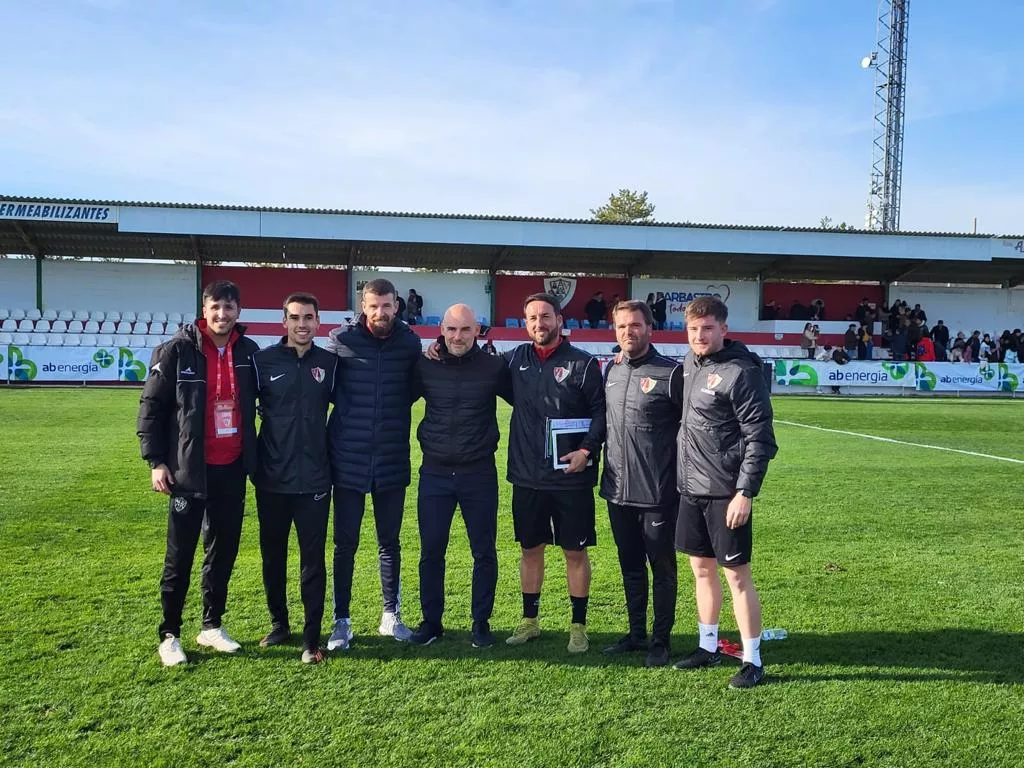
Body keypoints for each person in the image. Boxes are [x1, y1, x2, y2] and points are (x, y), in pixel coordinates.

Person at [138, 280, 259, 667]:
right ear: (204, 310)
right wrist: (156, 461)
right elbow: (151, 407)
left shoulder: (249, 352)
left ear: (238, 311)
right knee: (180, 555)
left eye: (229, 307)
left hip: (232, 469)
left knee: (222, 552)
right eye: (215, 307)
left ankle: (211, 625)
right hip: (188, 472)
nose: (222, 314)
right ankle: (169, 633)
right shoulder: (176, 350)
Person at [671, 296, 778, 690]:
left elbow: (761, 439)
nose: (699, 336)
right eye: (693, 329)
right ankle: (708, 645)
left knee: (737, 575)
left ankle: (753, 660)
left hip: (725, 493)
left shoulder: (741, 372)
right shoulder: (688, 363)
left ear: (723, 329)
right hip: (690, 489)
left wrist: (744, 491)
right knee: (701, 570)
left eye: (707, 328)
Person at [504, 293, 606, 653]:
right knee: (530, 549)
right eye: (531, 318)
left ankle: (578, 625)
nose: (538, 324)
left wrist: (585, 450)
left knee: (574, 552)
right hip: (527, 475)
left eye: (545, 317)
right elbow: (475, 368)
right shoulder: (515, 360)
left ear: (560, 321)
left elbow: (600, 413)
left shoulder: (583, 363)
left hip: (570, 477)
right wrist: (439, 347)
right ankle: (530, 621)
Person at [325, 278, 422, 651]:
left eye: (386, 306)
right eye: (373, 306)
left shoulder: (410, 343)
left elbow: (412, 390)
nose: (380, 313)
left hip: (392, 457)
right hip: (347, 459)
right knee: (345, 544)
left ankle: (390, 615)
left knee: (389, 542)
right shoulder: (342, 340)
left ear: (396, 306)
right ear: (362, 307)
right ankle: (342, 621)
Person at [409, 304, 513, 648]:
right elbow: (394, 401)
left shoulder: (494, 367)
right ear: (441, 329)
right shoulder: (425, 364)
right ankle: (432, 622)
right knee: (431, 552)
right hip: (434, 473)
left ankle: (480, 623)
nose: (457, 336)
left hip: (478, 473)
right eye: (451, 329)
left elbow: (529, 400)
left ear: (478, 330)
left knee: (483, 552)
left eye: (465, 330)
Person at [251, 293, 339, 664]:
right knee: (273, 556)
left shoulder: (331, 363)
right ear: (283, 322)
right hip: (271, 479)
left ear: (318, 322)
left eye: (308, 318)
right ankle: (279, 624)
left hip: (316, 480)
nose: (302, 324)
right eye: (295, 318)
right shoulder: (262, 361)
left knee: (312, 560)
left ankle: (311, 638)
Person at [600, 300, 682, 667]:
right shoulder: (611, 370)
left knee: (661, 568)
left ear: (650, 328)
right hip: (616, 489)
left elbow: (688, 431)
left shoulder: (671, 373)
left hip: (658, 493)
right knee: (629, 565)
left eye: (635, 325)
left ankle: (660, 641)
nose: (628, 332)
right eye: (621, 327)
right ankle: (636, 634)